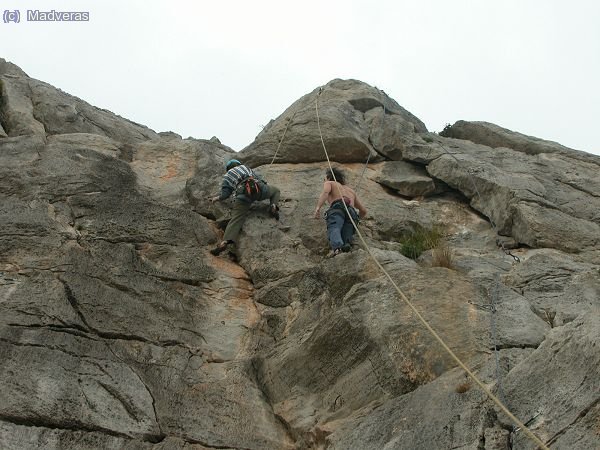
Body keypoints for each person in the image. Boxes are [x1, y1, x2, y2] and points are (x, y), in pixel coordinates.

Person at [209, 159, 280, 258]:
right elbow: (260, 179)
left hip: (243, 196)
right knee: (276, 191)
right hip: (258, 189)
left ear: (228, 168)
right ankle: (273, 206)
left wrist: (216, 199)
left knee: (236, 219)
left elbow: (226, 194)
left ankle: (224, 242)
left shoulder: (228, 175)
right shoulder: (245, 167)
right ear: (238, 164)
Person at [313, 167, 367, 256]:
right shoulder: (351, 191)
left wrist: (318, 207)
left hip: (338, 207)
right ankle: (346, 245)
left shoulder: (329, 183)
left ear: (329, 177)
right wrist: (357, 220)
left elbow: (325, 193)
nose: (324, 181)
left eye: (324, 179)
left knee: (335, 227)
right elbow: (363, 211)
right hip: (352, 212)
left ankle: (337, 248)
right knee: (348, 230)